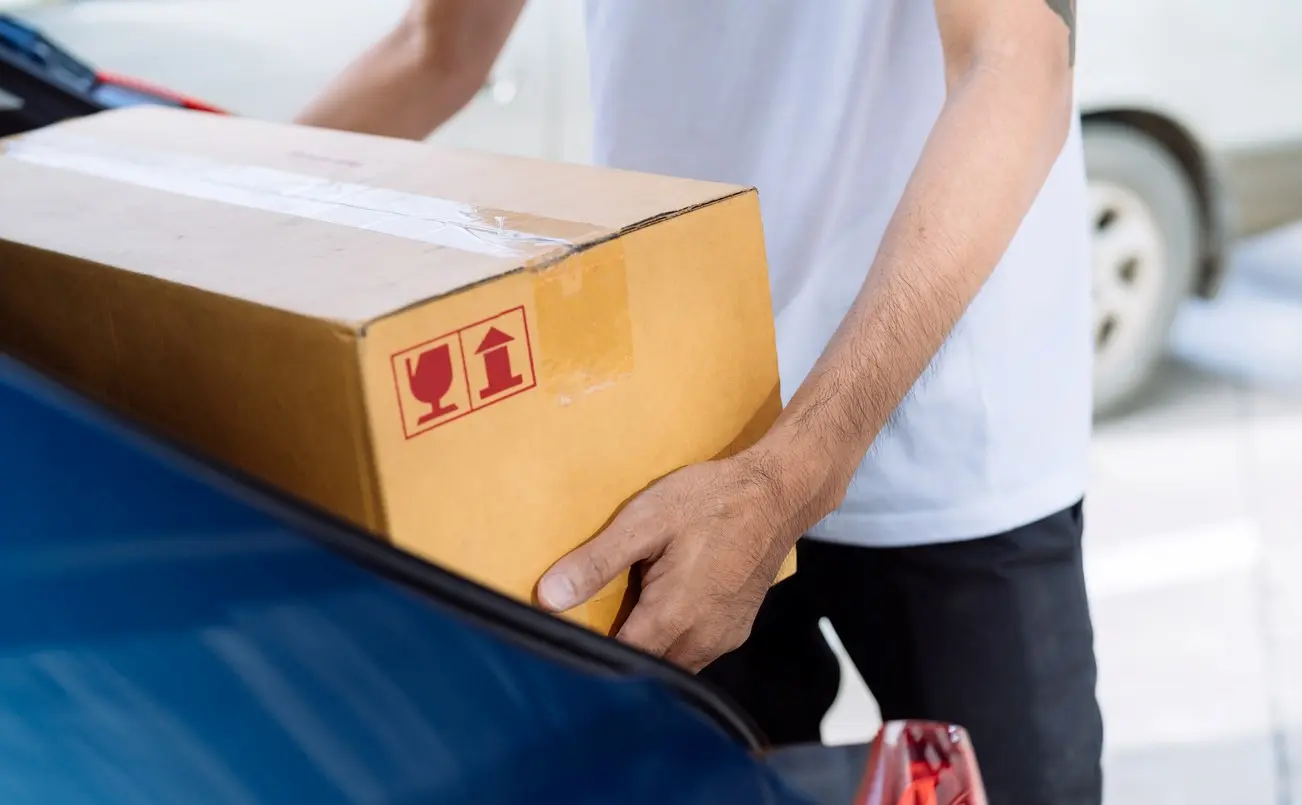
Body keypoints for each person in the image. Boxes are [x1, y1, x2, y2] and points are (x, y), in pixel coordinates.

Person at [299, 1, 1102, 802]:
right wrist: (197, 197)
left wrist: (784, 479)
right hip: (678, 432)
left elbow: (1018, 59)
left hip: (945, 426)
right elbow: (439, 48)